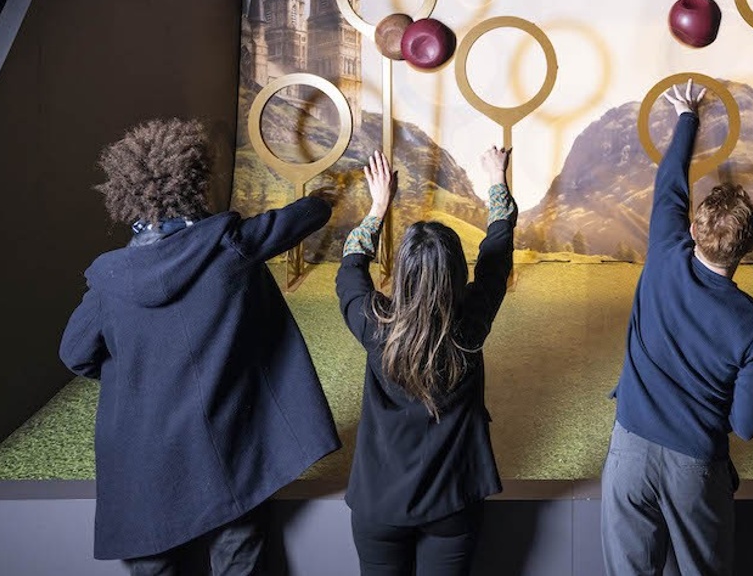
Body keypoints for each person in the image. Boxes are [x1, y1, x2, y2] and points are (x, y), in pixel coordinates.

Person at [59, 118, 341, 574]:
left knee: (153, 562)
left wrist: (138, 368)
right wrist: (322, 197)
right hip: (228, 446)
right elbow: (299, 219)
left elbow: (75, 354)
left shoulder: (109, 281)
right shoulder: (231, 246)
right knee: (239, 552)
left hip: (143, 459)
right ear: (196, 183)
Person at [602, 81, 753, 576]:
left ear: (694, 231)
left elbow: (671, 184)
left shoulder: (664, 254)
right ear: (749, 246)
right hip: (696, 467)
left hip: (628, 453)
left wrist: (687, 117)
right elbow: (745, 425)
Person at [336, 147, 516, 576]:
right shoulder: (470, 324)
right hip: (451, 504)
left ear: (401, 274)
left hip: (377, 505)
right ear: (457, 276)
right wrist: (497, 178)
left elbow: (350, 265)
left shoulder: (373, 324)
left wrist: (379, 205)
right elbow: (498, 247)